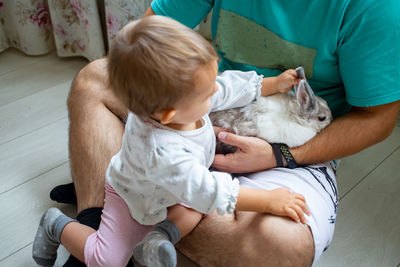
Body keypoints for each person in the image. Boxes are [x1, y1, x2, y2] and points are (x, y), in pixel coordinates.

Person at [51, 1, 400, 266]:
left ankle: (131, 198)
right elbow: (148, 40)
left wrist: (282, 154)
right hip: (194, 111)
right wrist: (187, 101)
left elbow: (378, 118)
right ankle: (96, 224)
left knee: (284, 244)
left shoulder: (375, 10)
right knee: (97, 77)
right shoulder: (200, 97)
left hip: (289, 147)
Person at [34, 16, 309, 267]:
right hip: (133, 199)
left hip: (168, 190)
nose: (215, 90)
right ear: (168, 115)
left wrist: (273, 84)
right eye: (206, 93)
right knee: (106, 261)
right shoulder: (163, 149)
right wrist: (269, 201)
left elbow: (228, 88)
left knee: (194, 208)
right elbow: (209, 190)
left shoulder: (183, 100)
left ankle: (157, 239)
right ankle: (57, 226)